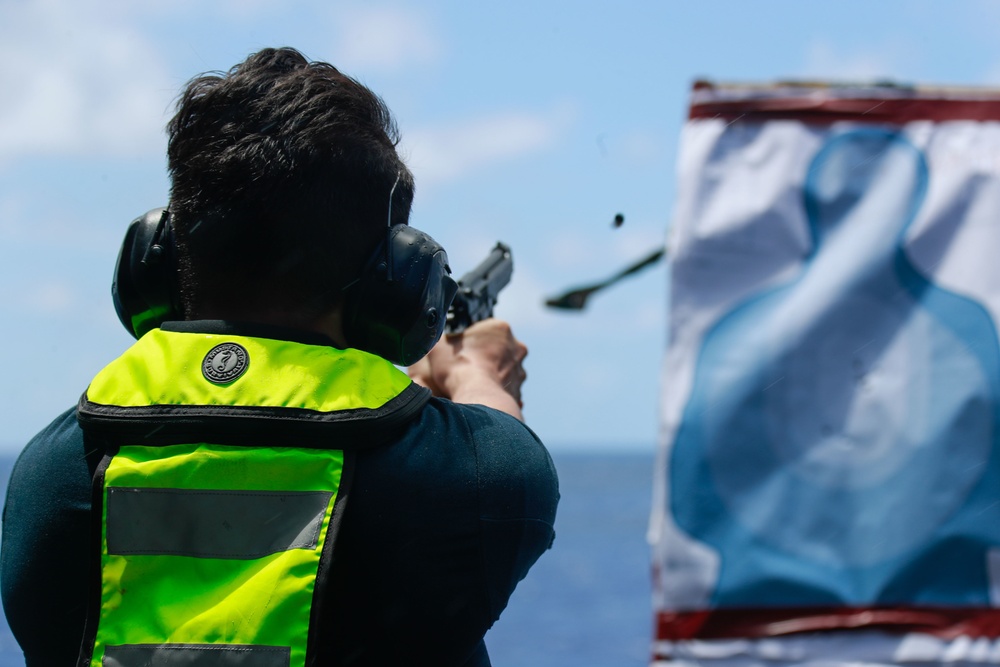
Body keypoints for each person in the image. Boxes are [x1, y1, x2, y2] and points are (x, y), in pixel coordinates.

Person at [0, 47, 559, 667]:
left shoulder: (51, 479)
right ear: (400, 283)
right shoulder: (473, 481)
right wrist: (476, 371)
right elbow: (502, 443)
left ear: (154, 262)